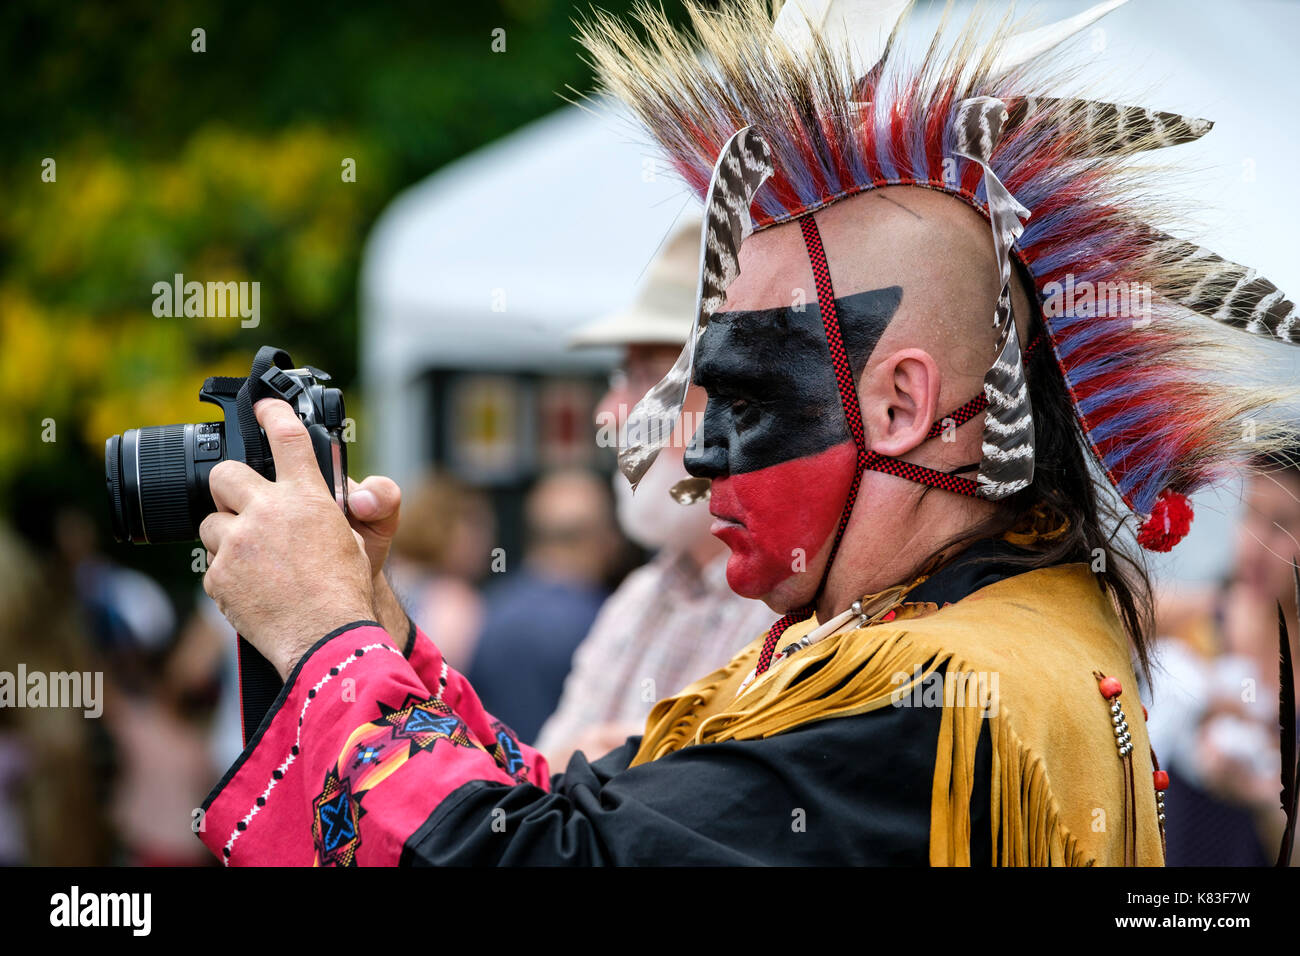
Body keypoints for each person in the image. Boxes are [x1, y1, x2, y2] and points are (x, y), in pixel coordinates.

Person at [192, 1, 1300, 865]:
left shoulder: (938, 690)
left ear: (902, 405)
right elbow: (579, 812)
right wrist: (380, 628)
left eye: (747, 401)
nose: (698, 459)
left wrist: (325, 632)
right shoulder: (962, 632)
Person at [534, 219, 777, 769]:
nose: (609, 412)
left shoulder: (791, 610)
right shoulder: (636, 598)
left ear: (734, 400)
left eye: (649, 375)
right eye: (624, 376)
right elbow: (542, 779)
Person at [1147, 448, 1300, 865]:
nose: (1254, 542)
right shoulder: (1199, 619)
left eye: (1280, 525)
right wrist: (1194, 695)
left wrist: (1261, 792)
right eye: (1250, 514)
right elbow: (1091, 611)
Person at [465, 469, 621, 743]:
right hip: (571, 780)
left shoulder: (488, 610)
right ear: (603, 540)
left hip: (499, 779)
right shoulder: (607, 621)